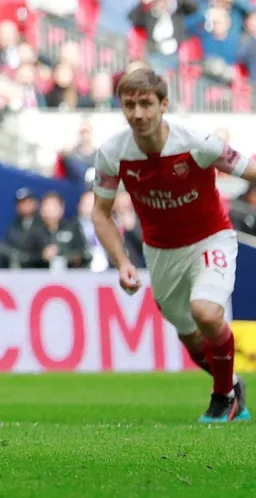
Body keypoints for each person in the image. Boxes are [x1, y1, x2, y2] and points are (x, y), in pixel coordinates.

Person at [91, 68, 252, 423]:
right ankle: (233, 387)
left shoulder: (198, 142)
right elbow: (101, 214)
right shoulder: (112, 153)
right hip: (161, 252)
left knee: (206, 312)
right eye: (129, 105)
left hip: (212, 239)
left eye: (146, 104)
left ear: (164, 104)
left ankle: (224, 398)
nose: (138, 114)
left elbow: (248, 168)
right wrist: (122, 262)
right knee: (193, 339)